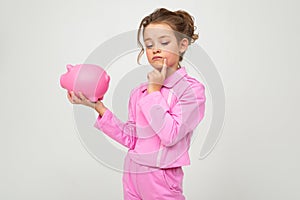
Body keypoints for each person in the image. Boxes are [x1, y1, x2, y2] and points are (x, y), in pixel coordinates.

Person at [68, 8, 206, 200]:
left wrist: (154, 92)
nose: (155, 49)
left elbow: (171, 135)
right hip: (132, 173)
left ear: (183, 45)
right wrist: (98, 107)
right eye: (149, 45)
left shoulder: (191, 91)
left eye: (164, 42)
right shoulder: (139, 92)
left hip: (162, 177)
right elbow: (133, 139)